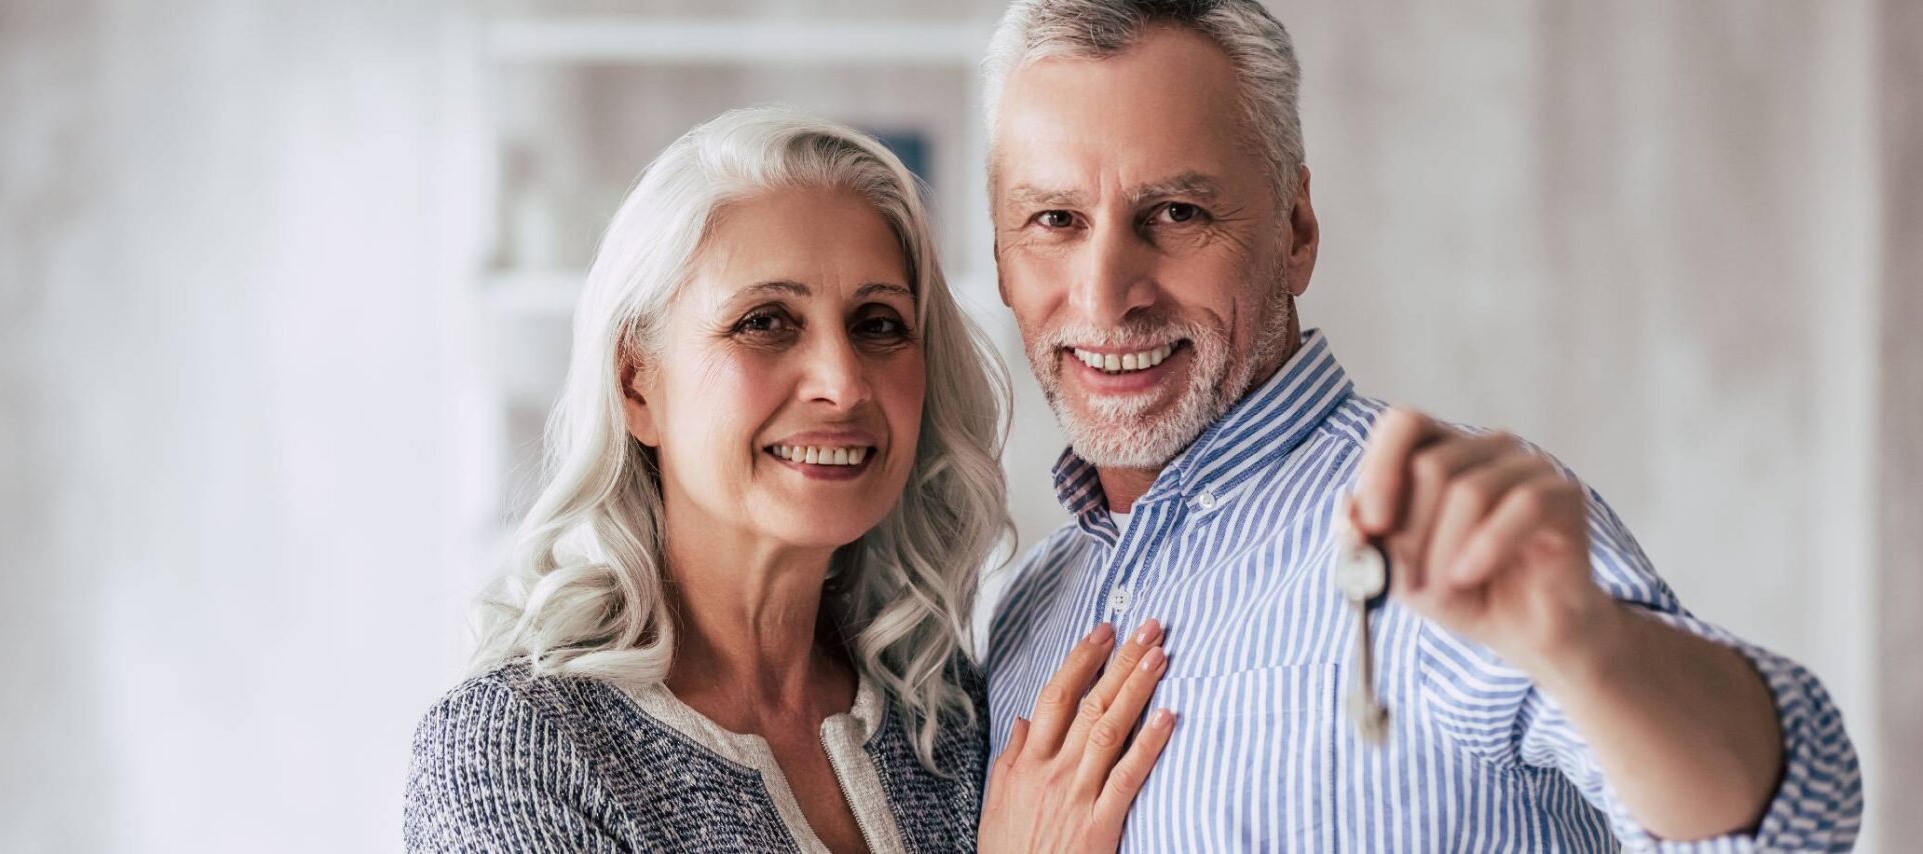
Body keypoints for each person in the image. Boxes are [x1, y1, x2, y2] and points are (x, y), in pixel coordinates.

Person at [978, 1, 1865, 850]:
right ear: (1002, 259)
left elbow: (1786, 824)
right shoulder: (1025, 612)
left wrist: (1592, 648)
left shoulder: (1446, 529)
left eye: (1176, 214)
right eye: (1054, 220)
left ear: (1296, 229)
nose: (1104, 297)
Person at [404, 107, 1174, 853]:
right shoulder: (520, 751)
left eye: (878, 325)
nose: (843, 384)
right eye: (765, 322)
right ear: (638, 386)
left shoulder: (952, 724)